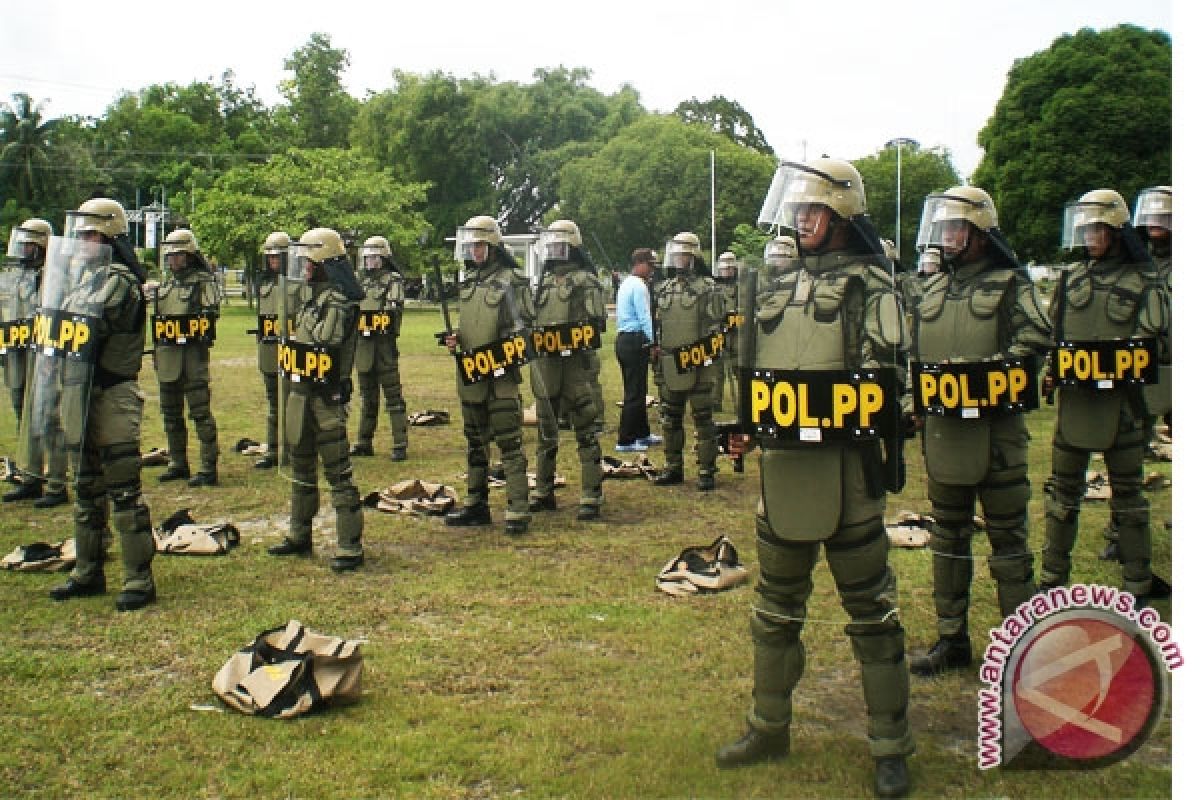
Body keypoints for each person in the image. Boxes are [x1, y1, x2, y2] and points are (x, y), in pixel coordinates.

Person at [715, 158, 913, 798]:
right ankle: (768, 726)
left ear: (842, 215)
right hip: (785, 477)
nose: (801, 219)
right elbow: (755, 376)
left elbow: (889, 379)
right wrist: (748, 425)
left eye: (814, 210)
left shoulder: (872, 287)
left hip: (847, 476)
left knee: (872, 616)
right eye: (797, 208)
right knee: (773, 614)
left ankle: (890, 746)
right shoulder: (772, 287)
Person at [905, 186, 1053, 676]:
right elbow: (914, 357)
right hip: (945, 438)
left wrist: (976, 372)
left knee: (1009, 540)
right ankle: (952, 639)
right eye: (942, 227)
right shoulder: (930, 290)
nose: (946, 237)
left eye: (956, 227)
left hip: (997, 437)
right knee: (947, 539)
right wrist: (913, 401)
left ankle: (1022, 646)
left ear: (980, 232)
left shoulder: (1013, 283)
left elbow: (1034, 341)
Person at [1039, 188, 1170, 607]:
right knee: (1061, 495)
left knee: (1129, 496)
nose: (1088, 235)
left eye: (1097, 227)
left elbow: (1154, 341)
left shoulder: (1144, 279)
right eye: (1085, 227)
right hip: (1076, 403)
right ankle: (1052, 578)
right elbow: (1055, 337)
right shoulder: (1070, 278)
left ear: (1115, 230)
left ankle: (1137, 580)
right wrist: (1049, 371)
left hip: (1123, 404)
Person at [46, 197, 158, 611]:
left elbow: (88, 320)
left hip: (112, 394)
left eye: (90, 234)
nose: (83, 241)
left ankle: (138, 579)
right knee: (85, 487)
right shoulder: (82, 277)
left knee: (124, 490)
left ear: (109, 236)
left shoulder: (118, 280)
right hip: (80, 389)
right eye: (80, 234)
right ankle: (87, 570)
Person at [267, 227, 365, 573]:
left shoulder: (340, 302)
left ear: (325, 263)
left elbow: (327, 342)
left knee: (338, 470)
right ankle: (299, 533)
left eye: (309, 261)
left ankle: (349, 545)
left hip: (326, 397)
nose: (303, 267)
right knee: (301, 466)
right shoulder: (310, 299)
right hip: (302, 393)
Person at [441, 215, 534, 536]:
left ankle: (518, 509)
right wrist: (456, 340)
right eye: (471, 246)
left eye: (480, 245)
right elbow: (470, 326)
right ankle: (475, 505)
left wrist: (501, 350)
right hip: (470, 375)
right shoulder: (468, 283)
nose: (475, 251)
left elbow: (526, 332)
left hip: (500, 377)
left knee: (509, 444)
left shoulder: (513, 281)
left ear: (493, 246)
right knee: (475, 445)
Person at [1100, 185, 1172, 562]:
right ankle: (1119, 532)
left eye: (1165, 218)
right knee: (1129, 452)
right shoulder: (1135, 265)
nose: (1157, 225)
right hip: (1139, 369)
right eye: (1153, 218)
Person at [527, 220, 607, 520]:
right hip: (547, 366)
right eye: (552, 245)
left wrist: (573, 334)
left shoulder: (587, 280)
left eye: (561, 245)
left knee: (585, 430)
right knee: (546, 433)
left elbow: (597, 323)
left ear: (573, 247)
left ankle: (591, 495)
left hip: (575, 365)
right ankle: (543, 491)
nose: (555, 251)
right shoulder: (543, 283)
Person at [2, 218, 70, 507]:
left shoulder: (56, 275)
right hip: (17, 352)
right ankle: (30, 477)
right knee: (24, 414)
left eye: (30, 243)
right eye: (22, 243)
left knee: (49, 418)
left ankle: (56, 484)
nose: (24, 248)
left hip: (44, 355)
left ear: (42, 245)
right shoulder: (16, 276)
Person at [652, 232, 725, 490]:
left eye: (684, 255)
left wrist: (706, 356)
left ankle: (706, 470)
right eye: (676, 255)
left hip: (699, 361)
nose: (678, 260)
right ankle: (673, 467)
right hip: (671, 363)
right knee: (669, 418)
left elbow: (718, 326)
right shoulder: (664, 289)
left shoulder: (709, 288)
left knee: (703, 418)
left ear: (694, 257)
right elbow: (659, 327)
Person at [153, 228, 221, 487]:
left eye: (178, 255)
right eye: (169, 255)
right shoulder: (166, 283)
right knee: (170, 413)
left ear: (189, 255)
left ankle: (207, 466)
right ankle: (177, 462)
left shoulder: (203, 282)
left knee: (200, 413)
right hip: (168, 358)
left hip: (192, 359)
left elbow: (210, 315)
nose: (173, 259)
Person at [349, 235, 409, 462]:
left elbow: (392, 312)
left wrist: (374, 319)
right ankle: (364, 441)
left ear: (383, 258)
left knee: (393, 397)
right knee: (367, 397)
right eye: (367, 257)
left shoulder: (393, 280)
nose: (369, 261)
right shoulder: (360, 283)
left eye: (374, 257)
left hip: (383, 347)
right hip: (363, 347)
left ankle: (400, 443)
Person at [249, 231, 293, 470]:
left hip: (291, 351)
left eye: (278, 257)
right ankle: (273, 450)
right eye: (270, 257)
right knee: (273, 403)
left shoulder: (297, 282)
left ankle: (294, 448)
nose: (273, 261)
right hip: (268, 350)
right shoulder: (263, 282)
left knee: (293, 402)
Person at [614, 248, 659, 453]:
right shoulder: (639, 286)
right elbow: (645, 317)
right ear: (639, 263)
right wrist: (653, 343)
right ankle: (626, 438)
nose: (651, 270)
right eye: (649, 266)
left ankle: (642, 433)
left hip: (624, 339)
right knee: (634, 391)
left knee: (639, 389)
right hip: (635, 339)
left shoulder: (626, 283)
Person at [710, 251, 740, 415]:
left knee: (739, 370)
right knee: (717, 371)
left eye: (730, 267)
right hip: (719, 333)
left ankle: (743, 402)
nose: (727, 271)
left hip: (737, 334)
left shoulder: (743, 286)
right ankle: (715, 402)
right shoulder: (713, 287)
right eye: (724, 268)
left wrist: (736, 319)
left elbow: (750, 310)